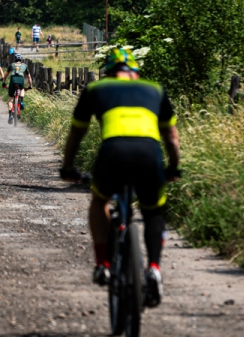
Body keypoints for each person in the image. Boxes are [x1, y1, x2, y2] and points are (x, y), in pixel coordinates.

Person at [59, 47, 181, 309]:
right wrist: (173, 168)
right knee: (154, 211)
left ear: (109, 73)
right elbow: (171, 136)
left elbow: (76, 134)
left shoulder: (95, 89)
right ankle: (154, 269)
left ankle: (103, 263)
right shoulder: (155, 89)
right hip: (149, 154)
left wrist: (67, 167)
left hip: (112, 153)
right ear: (135, 73)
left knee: (99, 200)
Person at [3, 53, 32, 124]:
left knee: (10, 98)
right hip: (21, 80)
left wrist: (4, 83)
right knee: (22, 89)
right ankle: (21, 101)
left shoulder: (11, 65)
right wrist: (30, 85)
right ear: (21, 60)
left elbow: (5, 75)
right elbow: (29, 77)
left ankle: (10, 115)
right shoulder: (25, 65)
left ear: (15, 60)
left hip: (13, 80)